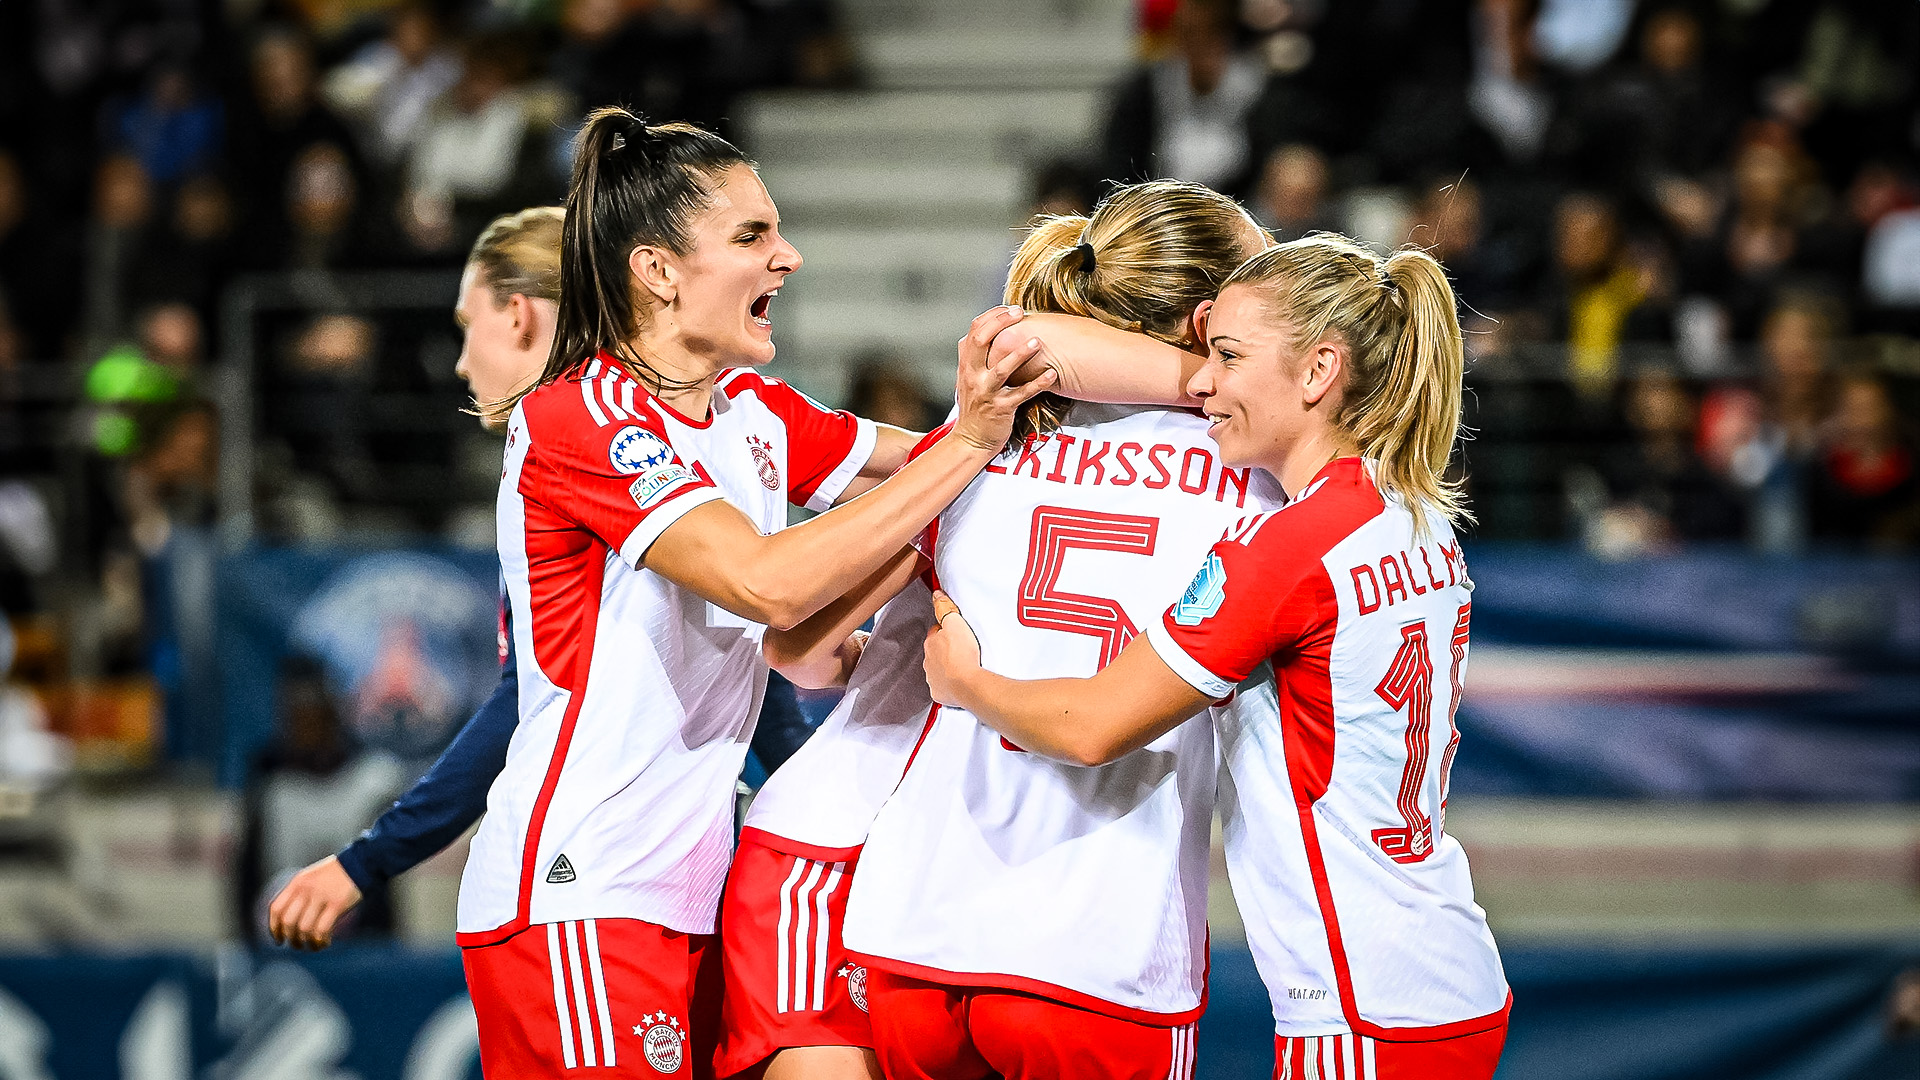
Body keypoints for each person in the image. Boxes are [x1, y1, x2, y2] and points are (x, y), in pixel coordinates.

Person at [455, 110, 1055, 1080]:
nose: (790, 257)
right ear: (657, 270)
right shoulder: (582, 416)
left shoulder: (753, 410)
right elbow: (768, 584)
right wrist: (975, 440)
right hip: (581, 889)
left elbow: (957, 473)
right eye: (752, 237)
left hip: (686, 887)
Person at [921, 234, 1511, 1079]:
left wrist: (966, 682)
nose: (1201, 381)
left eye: (1227, 356)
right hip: (1439, 973)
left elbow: (1092, 727)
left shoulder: (1286, 550)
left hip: (1357, 1010)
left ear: (1318, 373)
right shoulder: (1409, 507)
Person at [729, 180, 1279, 1080]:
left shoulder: (989, 427)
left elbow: (799, 649)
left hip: (920, 915)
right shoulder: (1260, 469)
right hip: (1099, 932)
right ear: (1212, 318)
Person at [264, 206, 818, 950]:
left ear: (519, 314)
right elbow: (749, 650)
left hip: (610, 876)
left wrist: (366, 861)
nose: (462, 361)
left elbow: (527, 699)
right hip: (679, 870)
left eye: (468, 323)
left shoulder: (581, 436)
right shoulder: (688, 421)